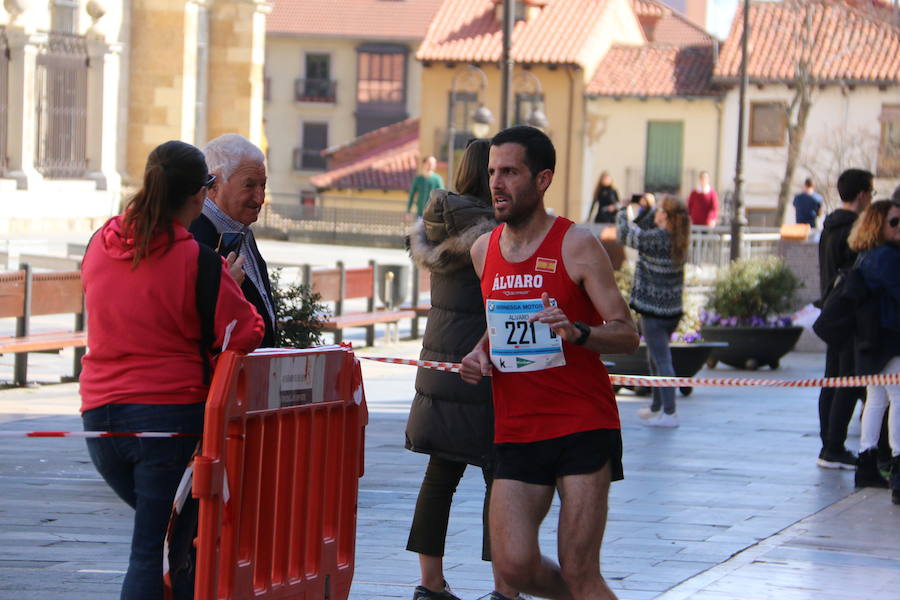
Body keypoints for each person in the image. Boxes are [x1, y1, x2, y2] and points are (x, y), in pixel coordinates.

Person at [460, 126, 639, 599]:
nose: (497, 183)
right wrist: (480, 352)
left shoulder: (576, 244)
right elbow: (500, 321)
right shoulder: (483, 251)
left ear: (542, 180)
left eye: (510, 172)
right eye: (492, 172)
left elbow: (626, 332)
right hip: (517, 429)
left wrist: (580, 332)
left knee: (580, 569)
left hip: (582, 424)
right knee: (514, 567)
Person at [79, 140, 265, 599]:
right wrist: (228, 289)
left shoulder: (100, 243)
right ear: (201, 194)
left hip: (99, 419)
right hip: (166, 421)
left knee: (170, 541)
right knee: (154, 550)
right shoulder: (196, 260)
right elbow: (247, 331)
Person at [405, 139, 517, 600]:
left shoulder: (437, 227)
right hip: (481, 370)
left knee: (439, 477)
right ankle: (505, 590)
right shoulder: (496, 234)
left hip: (439, 368)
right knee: (501, 477)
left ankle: (430, 584)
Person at [190, 133, 278, 347]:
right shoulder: (194, 236)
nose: (260, 198)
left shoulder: (240, 228)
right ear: (213, 186)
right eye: (249, 186)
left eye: (263, 186)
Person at [816, 168, 874, 469]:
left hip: (831, 311)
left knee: (833, 379)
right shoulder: (853, 231)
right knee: (848, 382)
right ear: (863, 195)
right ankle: (834, 446)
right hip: (848, 315)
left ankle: (828, 444)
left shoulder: (828, 226)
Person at [617, 196, 691, 428]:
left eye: (659, 209)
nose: (656, 211)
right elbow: (647, 226)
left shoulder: (657, 238)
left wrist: (623, 208)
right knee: (655, 357)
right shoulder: (676, 237)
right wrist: (648, 208)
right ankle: (657, 407)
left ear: (666, 216)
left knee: (662, 360)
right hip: (671, 310)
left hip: (654, 311)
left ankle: (669, 412)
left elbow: (624, 234)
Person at [846, 199, 900, 502]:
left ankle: (867, 462)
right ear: (878, 225)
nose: (899, 227)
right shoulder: (886, 257)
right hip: (890, 338)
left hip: (871, 341)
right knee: (896, 399)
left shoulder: (865, 256)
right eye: (893, 222)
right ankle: (897, 468)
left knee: (877, 399)